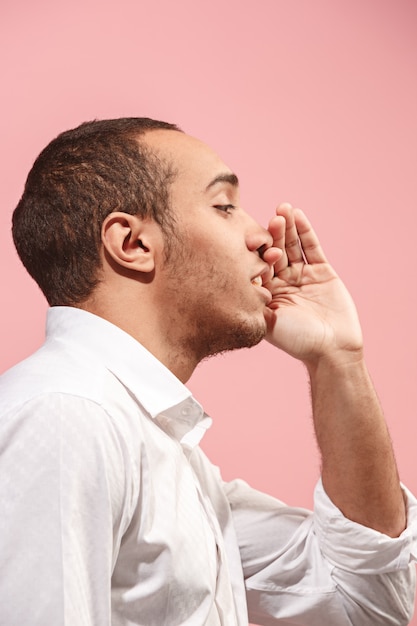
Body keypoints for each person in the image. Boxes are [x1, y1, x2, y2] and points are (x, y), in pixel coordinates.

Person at [0, 117, 416, 626]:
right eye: (223, 205)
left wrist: (338, 359)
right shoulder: (67, 417)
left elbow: (362, 602)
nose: (264, 236)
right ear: (131, 243)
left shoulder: (161, 450)